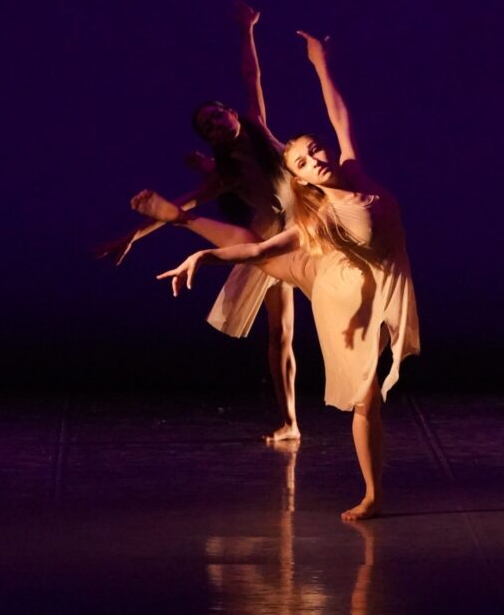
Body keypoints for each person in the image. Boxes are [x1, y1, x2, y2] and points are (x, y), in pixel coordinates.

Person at [140, 29, 419, 521]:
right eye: (303, 163)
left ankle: (184, 219)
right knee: (365, 396)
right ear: (300, 178)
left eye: (315, 151)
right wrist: (202, 258)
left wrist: (320, 63)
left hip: (368, 278)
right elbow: (260, 247)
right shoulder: (319, 217)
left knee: (274, 272)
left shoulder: (354, 170)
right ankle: (372, 494)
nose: (315, 161)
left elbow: (339, 114)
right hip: (340, 292)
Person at [95, 1, 304, 442]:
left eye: (216, 116)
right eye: (207, 127)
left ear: (231, 113)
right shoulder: (225, 174)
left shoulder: (259, 128)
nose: (215, 124)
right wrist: (131, 237)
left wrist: (247, 29)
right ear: (210, 139)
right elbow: (176, 209)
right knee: (281, 333)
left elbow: (252, 77)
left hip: (311, 224)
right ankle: (290, 422)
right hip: (274, 239)